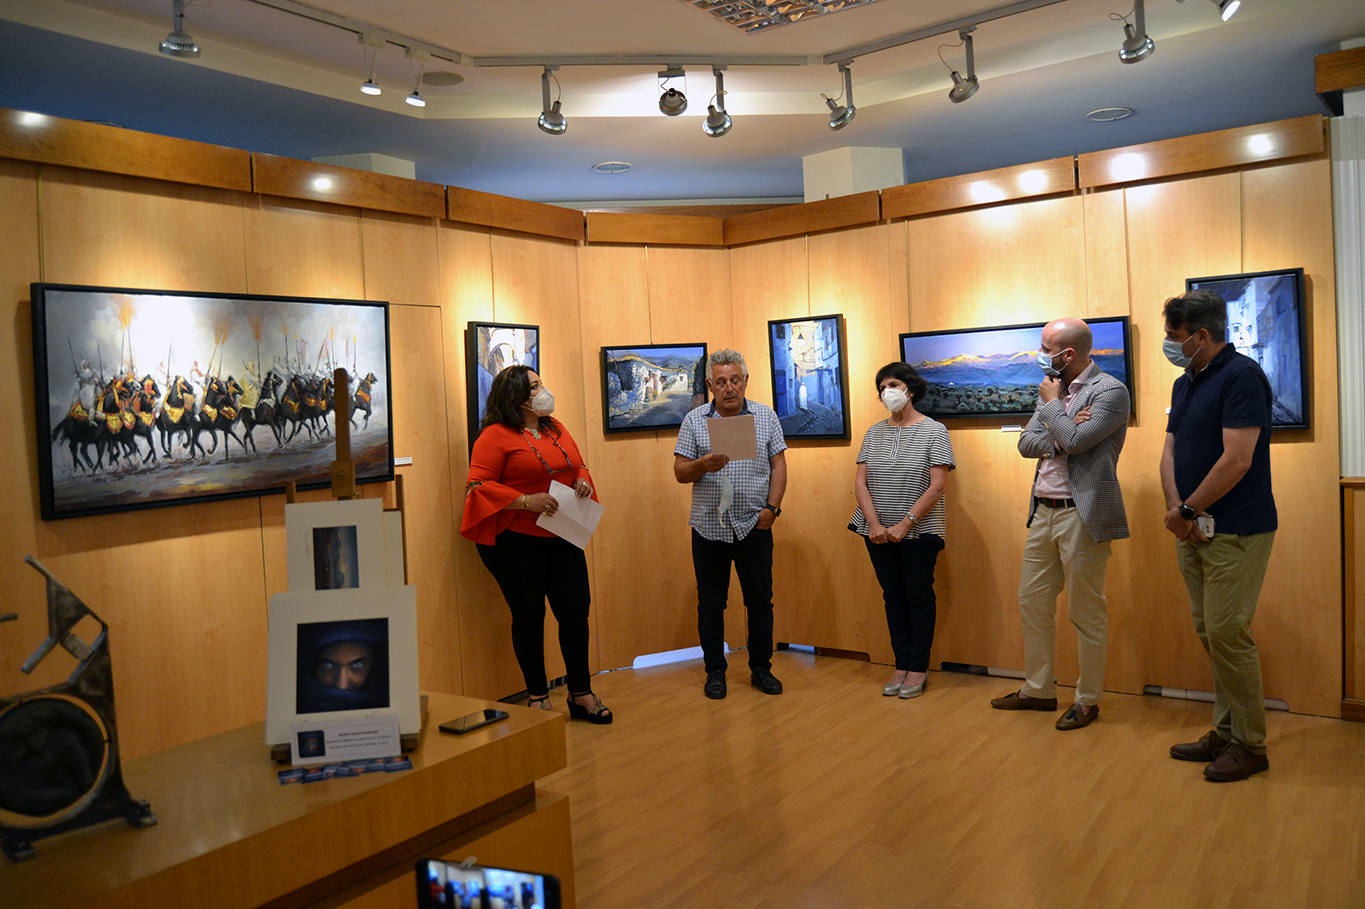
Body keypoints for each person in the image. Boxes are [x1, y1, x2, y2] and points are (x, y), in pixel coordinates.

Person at [991, 317, 1130, 730]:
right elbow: (1026, 443)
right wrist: (1060, 428)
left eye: (1045, 345)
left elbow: (1078, 442)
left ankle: (1087, 700)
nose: (1039, 353)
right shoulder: (1052, 389)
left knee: (1086, 611)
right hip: (1043, 511)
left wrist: (1054, 411)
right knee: (1032, 602)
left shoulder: (1110, 391)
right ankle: (1038, 689)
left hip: (1082, 513)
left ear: (1068, 353)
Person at [1160, 289, 1277, 782]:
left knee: (1229, 632)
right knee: (1211, 632)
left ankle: (1250, 745)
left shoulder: (1242, 376)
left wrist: (1188, 508)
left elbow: (1237, 459)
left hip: (1236, 528)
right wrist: (1177, 510)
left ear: (1201, 335)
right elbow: (1169, 453)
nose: (1170, 343)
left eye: (1175, 335)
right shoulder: (1185, 382)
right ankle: (1226, 731)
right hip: (1193, 528)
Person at [461, 365, 612, 724]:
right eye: (535, 385)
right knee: (530, 617)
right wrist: (526, 501)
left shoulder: (555, 428)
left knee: (576, 613)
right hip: (516, 542)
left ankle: (581, 694)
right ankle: (538, 698)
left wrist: (584, 482)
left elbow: (579, 466)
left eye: (541, 381)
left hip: (563, 533)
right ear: (517, 397)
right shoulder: (494, 436)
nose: (544, 389)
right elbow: (476, 487)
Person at [674, 349, 787, 699]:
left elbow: (779, 466)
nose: (729, 388)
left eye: (734, 380)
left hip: (755, 524)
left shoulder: (766, 417)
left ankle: (761, 669)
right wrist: (702, 465)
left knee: (760, 602)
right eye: (721, 382)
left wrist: (773, 508)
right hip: (709, 528)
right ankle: (715, 673)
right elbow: (680, 472)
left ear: (745, 381)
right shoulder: (694, 420)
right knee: (711, 604)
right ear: (710, 385)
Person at [849, 362, 955, 699]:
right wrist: (876, 525)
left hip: (919, 532)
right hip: (877, 531)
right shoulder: (873, 432)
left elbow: (937, 485)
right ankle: (900, 663)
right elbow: (861, 482)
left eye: (892, 384)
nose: (886, 392)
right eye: (881, 387)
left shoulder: (934, 430)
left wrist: (904, 524)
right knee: (892, 597)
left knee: (918, 597)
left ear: (910, 388)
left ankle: (917, 667)